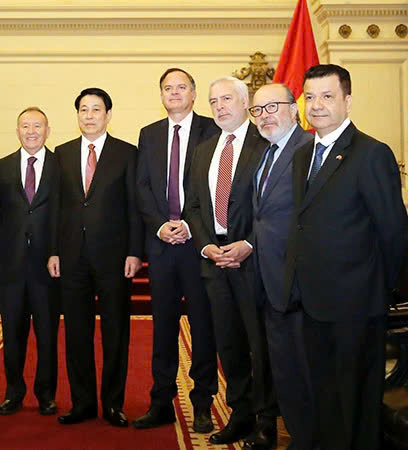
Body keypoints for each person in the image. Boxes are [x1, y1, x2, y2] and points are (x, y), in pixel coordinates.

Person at [283, 64, 407, 449]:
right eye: (310, 97)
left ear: (347, 101)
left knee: (356, 401)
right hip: (312, 300)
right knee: (326, 395)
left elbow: (394, 232)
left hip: (357, 304)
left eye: (327, 96)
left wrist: (378, 292)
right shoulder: (303, 155)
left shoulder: (371, 154)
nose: (316, 105)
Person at [182, 76, 277, 448]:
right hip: (214, 261)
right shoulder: (203, 150)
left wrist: (249, 245)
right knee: (230, 345)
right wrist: (206, 246)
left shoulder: (265, 143)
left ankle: (266, 421)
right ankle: (239, 415)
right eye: (213, 101)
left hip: (254, 260)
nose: (219, 107)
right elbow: (193, 206)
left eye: (226, 99)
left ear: (245, 102)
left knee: (260, 346)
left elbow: (275, 207)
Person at [47, 87, 141, 427]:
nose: (89, 115)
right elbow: (56, 207)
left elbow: (134, 206)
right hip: (71, 257)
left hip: (114, 258)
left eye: (96, 109)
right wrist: (53, 250)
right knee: (76, 333)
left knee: (115, 332)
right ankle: (82, 403)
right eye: (83, 109)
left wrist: (134, 251)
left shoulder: (127, 153)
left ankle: (113, 404)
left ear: (108, 115)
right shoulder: (61, 153)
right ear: (77, 115)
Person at [133, 68, 220, 433]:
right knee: (163, 327)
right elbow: (142, 186)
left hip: (199, 245)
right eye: (168, 88)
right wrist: (160, 226)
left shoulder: (212, 130)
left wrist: (188, 224)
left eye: (181, 87)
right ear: (161, 95)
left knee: (203, 326)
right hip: (162, 246)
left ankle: (202, 403)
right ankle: (161, 402)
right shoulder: (149, 134)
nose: (174, 92)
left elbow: (216, 185)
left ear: (194, 93)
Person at [248, 83, 314, 449]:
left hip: (301, 285)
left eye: (272, 106)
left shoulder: (310, 149)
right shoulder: (266, 153)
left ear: (294, 109)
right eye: (257, 110)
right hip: (269, 281)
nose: (264, 116)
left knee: (306, 373)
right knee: (285, 372)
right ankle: (300, 437)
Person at [0, 107, 60, 416]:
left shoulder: (62, 166)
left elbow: (66, 214)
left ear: (47, 130)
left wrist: (57, 251)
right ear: (17, 130)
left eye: (37, 126)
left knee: (47, 334)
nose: (31, 131)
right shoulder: (0, 168)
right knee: (12, 334)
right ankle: (13, 392)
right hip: (11, 265)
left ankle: (46, 394)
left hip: (48, 264)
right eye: (25, 126)